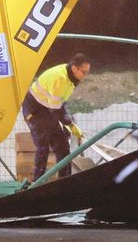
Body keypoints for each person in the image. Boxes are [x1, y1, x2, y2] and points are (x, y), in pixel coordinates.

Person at [21, 53, 91, 181]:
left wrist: (68, 123)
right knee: (43, 145)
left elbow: (61, 103)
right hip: (34, 110)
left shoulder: (69, 77)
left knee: (62, 146)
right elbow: (56, 109)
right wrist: (70, 124)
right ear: (75, 68)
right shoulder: (60, 79)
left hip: (46, 108)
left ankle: (65, 181)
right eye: (84, 72)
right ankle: (37, 182)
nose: (85, 76)